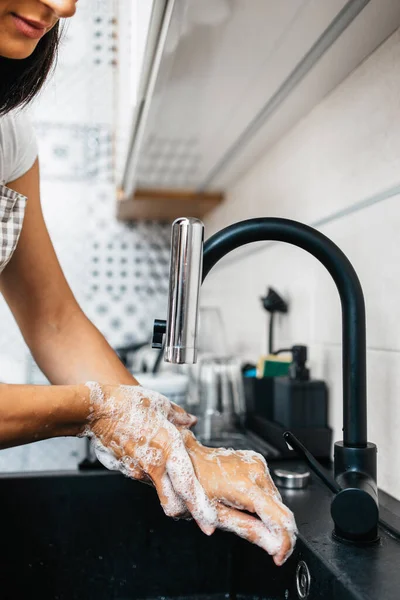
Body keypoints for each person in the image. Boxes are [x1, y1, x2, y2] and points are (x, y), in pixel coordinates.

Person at [0, 0, 297, 566]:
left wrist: (184, 454)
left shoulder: (7, 134)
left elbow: (53, 321)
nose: (65, 6)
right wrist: (93, 410)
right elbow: (96, 404)